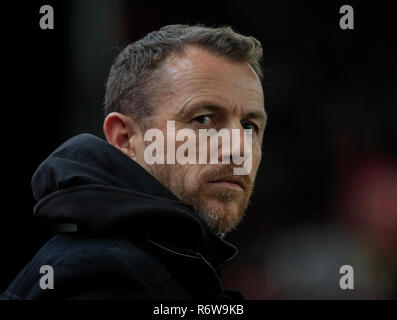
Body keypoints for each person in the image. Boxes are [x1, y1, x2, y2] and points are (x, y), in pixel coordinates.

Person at [4, 24, 267, 300]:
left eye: (249, 126)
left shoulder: (157, 268)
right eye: (202, 119)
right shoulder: (101, 278)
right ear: (125, 138)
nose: (240, 149)